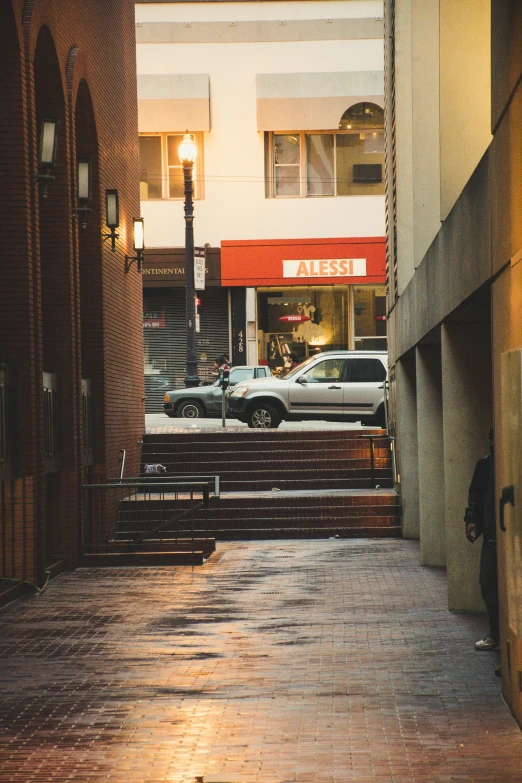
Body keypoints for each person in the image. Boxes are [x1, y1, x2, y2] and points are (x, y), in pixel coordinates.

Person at [464, 426, 499, 652]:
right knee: (487, 584)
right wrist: (471, 520)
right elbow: (475, 495)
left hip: (502, 534)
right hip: (492, 536)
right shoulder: (486, 464)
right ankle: (496, 632)